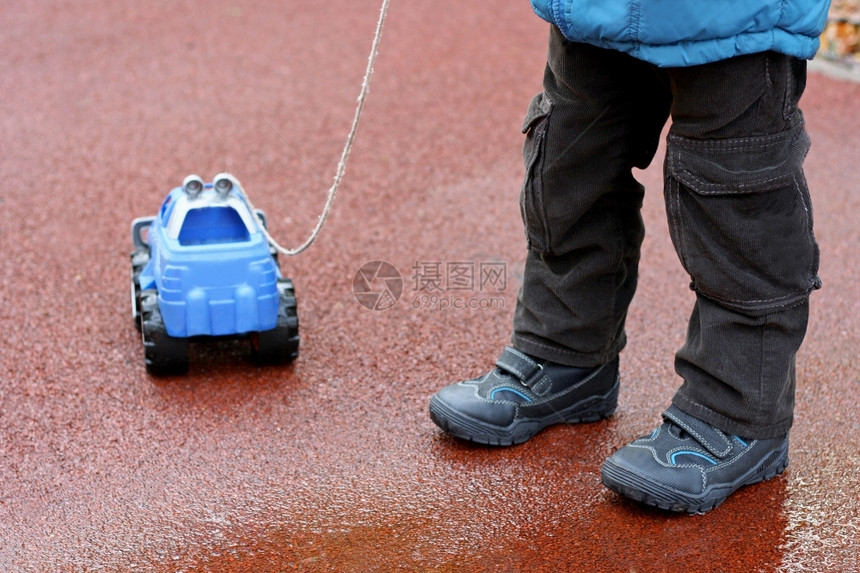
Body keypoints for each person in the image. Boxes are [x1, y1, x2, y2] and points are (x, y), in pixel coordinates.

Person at [428, 0, 830, 513]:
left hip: (733, 16)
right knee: (570, 169)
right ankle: (566, 352)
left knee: (735, 204)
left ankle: (736, 410)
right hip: (594, 10)